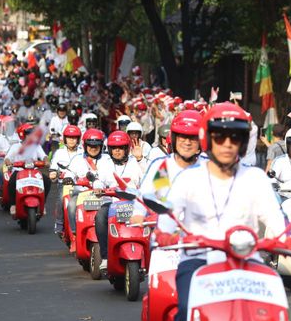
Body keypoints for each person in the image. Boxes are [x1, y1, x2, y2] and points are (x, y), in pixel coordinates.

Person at [157, 103, 291, 321]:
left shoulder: (256, 178)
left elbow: (274, 220)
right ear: (208, 138)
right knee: (187, 318)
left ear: (244, 142)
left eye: (235, 137)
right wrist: (167, 233)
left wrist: (285, 237)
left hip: (249, 265)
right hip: (199, 262)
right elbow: (168, 221)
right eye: (220, 136)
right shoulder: (188, 181)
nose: (228, 143)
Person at [131, 110, 203, 224]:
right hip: (166, 233)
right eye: (183, 137)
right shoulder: (163, 166)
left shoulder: (208, 167)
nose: (187, 142)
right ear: (174, 138)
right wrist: (138, 214)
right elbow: (146, 194)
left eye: (193, 138)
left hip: (199, 234)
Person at [94, 131, 143, 270]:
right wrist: (98, 187)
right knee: (100, 217)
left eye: (121, 147)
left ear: (127, 149)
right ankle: (105, 257)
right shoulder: (105, 163)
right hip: (112, 202)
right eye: (114, 148)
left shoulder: (135, 163)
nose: (117, 151)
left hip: (135, 203)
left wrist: (140, 159)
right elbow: (98, 180)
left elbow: (148, 177)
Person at [4, 124, 50, 214]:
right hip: (19, 171)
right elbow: (7, 158)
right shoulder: (15, 146)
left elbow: (44, 156)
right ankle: (13, 204)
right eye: (29, 134)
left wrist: (46, 161)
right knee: (11, 182)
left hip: (34, 172)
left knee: (47, 181)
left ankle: (42, 204)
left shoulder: (36, 146)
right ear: (22, 135)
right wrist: (8, 162)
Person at [49, 125, 83, 236]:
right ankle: (59, 225)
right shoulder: (59, 153)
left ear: (78, 139)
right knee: (60, 201)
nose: (72, 140)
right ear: (64, 139)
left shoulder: (83, 153)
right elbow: (53, 168)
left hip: (81, 185)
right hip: (64, 185)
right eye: (69, 137)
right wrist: (53, 174)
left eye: (74, 137)